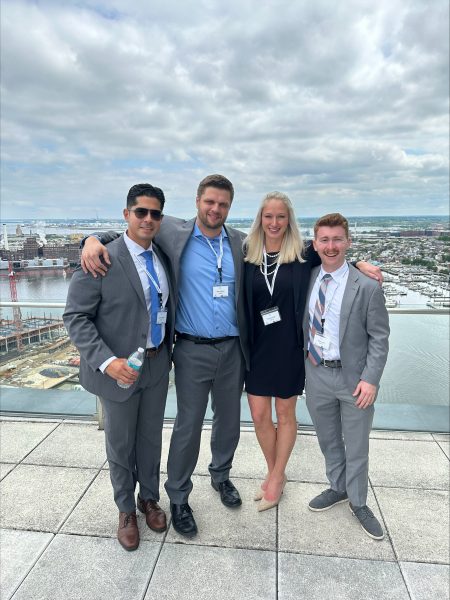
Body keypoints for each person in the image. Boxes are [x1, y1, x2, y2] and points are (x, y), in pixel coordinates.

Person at [80, 174, 250, 539]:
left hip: (223, 349)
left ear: (229, 208)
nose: (215, 209)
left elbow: (288, 250)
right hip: (188, 348)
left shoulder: (239, 242)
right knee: (181, 427)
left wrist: (352, 263)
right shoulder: (174, 232)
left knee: (222, 422)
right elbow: (126, 234)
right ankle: (169, 500)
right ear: (197, 201)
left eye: (222, 204)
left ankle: (216, 478)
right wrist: (90, 240)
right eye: (210, 202)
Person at [63, 183, 175, 551]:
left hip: (157, 367)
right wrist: (109, 363)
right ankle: (125, 509)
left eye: (154, 213)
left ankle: (148, 498)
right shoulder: (100, 258)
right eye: (140, 212)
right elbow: (76, 318)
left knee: (149, 440)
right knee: (120, 443)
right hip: (119, 373)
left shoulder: (162, 254)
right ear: (126, 214)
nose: (147, 219)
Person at [303, 213, 389, 540]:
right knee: (327, 440)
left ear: (348, 242)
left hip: (354, 380)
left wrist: (371, 379)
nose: (331, 245)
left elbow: (379, 338)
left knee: (357, 445)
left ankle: (359, 502)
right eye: (324, 240)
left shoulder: (366, 285)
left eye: (338, 239)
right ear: (315, 244)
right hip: (316, 374)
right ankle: (337, 487)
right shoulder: (307, 278)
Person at [244, 192, 322, 511]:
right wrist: (96, 238)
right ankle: (275, 471)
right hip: (257, 348)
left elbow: (336, 254)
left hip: (289, 347)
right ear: (260, 219)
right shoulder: (246, 253)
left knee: (286, 413)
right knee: (260, 415)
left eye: (280, 217)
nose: (274, 223)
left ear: (289, 220)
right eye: (268, 216)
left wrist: (361, 264)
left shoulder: (303, 253)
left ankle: (276, 477)